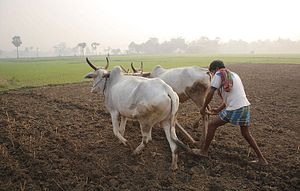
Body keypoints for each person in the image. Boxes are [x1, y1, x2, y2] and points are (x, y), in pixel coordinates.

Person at [193, 60, 268, 165]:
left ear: (215, 69)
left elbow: (210, 92)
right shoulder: (233, 75)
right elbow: (231, 97)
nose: (212, 75)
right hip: (245, 106)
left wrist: (203, 107)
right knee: (246, 133)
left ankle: (203, 151)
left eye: (211, 72)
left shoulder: (219, 74)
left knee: (211, 125)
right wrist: (218, 110)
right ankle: (262, 159)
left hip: (235, 108)